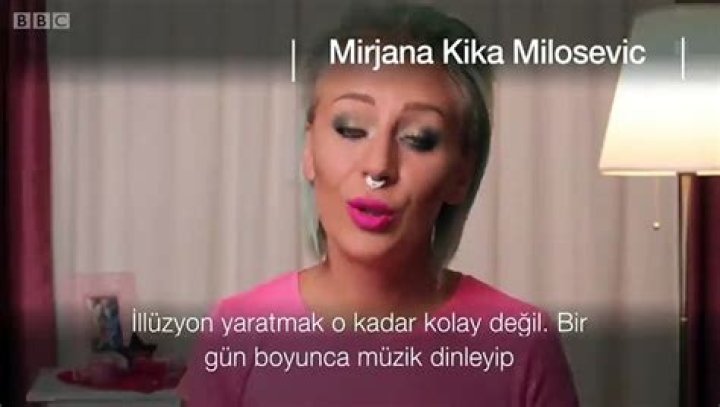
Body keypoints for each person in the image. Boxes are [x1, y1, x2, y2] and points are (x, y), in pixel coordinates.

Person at [177, 4, 579, 406]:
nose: (379, 167)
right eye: (351, 129)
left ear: (461, 173)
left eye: (419, 139)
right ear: (309, 150)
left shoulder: (522, 344)